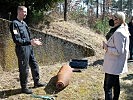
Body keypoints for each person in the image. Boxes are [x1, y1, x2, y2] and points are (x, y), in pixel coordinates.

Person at [10, 6, 46, 94]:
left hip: (29, 48)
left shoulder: (24, 23)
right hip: (22, 49)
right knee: (24, 69)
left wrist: (34, 41)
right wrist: (30, 42)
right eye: (24, 12)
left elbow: (28, 37)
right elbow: (17, 40)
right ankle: (24, 87)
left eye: (26, 12)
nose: (26, 14)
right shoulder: (15, 24)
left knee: (34, 65)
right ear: (19, 12)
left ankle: (36, 82)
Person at [102, 11, 130, 100]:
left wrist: (107, 48)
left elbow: (119, 51)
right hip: (114, 64)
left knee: (107, 88)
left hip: (113, 64)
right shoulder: (121, 29)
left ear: (120, 20)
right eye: (113, 17)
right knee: (115, 84)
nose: (112, 19)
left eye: (115, 18)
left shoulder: (119, 32)